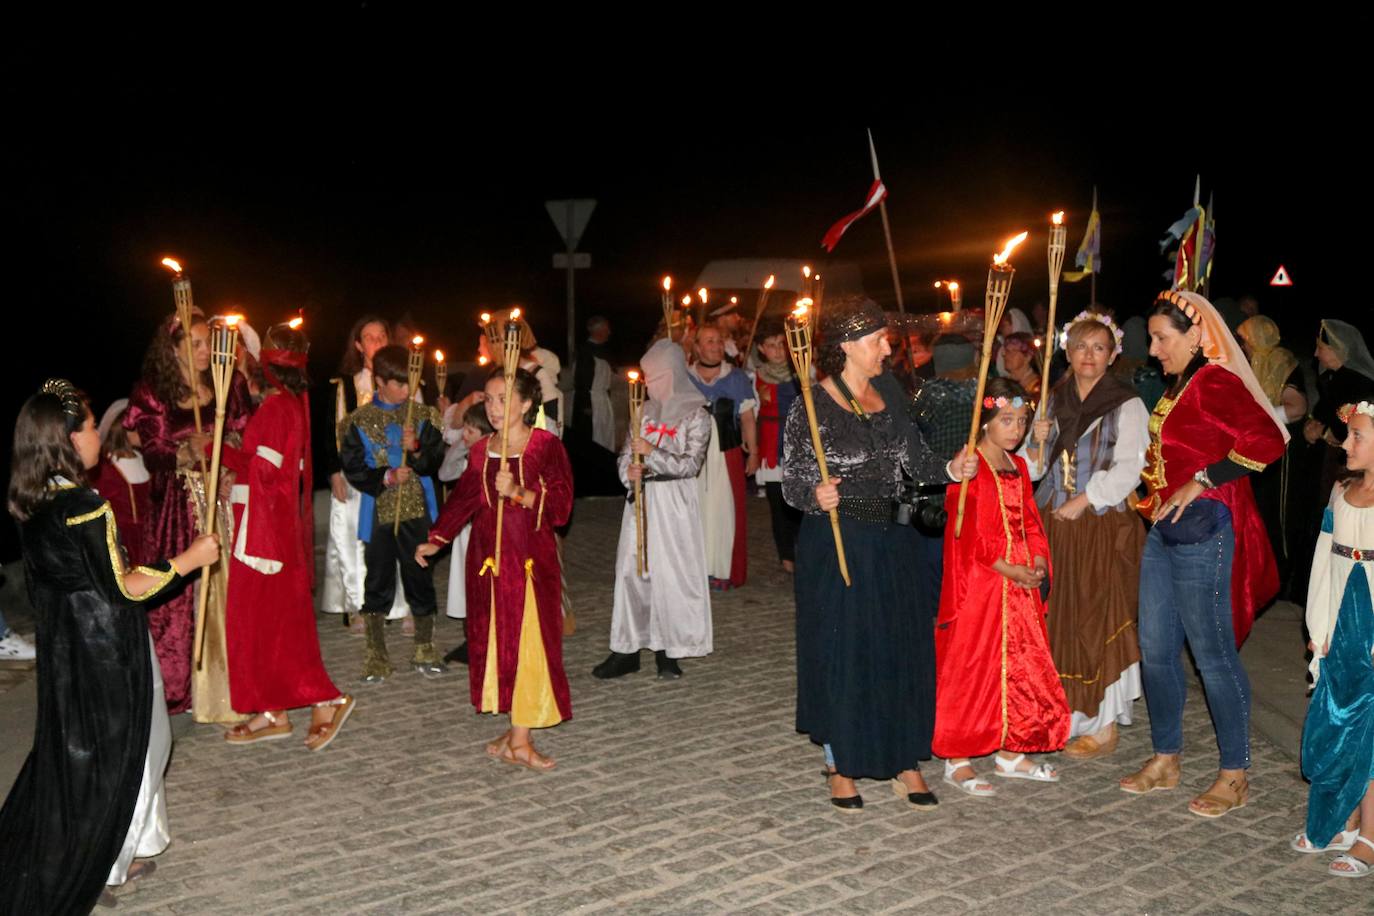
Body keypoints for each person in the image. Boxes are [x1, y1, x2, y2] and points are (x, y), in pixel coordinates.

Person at [0, 379, 219, 913]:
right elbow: (122, 587)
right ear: (71, 439)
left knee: (85, 752)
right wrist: (191, 558)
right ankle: (107, 859)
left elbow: (86, 576)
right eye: (92, 426)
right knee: (130, 752)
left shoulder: (33, 500)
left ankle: (132, 845)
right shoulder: (85, 507)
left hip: (67, 648)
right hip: (106, 650)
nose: (99, 434)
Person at [783, 296, 977, 811]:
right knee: (845, 650)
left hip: (894, 542)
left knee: (897, 647)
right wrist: (814, 495)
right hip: (839, 541)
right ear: (848, 345)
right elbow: (793, 478)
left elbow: (916, 460)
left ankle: (903, 759)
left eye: (886, 339)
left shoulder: (889, 391)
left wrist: (953, 469)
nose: (887, 348)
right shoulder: (811, 402)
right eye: (877, 341)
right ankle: (839, 761)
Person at [1120, 291, 1287, 818]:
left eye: (1162, 338)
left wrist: (1203, 480)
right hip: (1164, 532)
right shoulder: (1183, 382)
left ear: (1194, 336)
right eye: (1151, 338)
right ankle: (1166, 757)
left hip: (1203, 532)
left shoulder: (1215, 380)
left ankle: (1234, 774)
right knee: (1156, 648)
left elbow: (1269, 439)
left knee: (1212, 655)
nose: (1153, 348)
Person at [417, 367, 574, 771]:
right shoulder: (480, 450)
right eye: (488, 399)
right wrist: (438, 539)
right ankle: (515, 730)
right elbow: (464, 500)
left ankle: (520, 741)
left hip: (529, 563)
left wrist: (518, 492)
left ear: (526, 403)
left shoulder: (545, 446)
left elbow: (560, 510)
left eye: (505, 399)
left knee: (529, 645)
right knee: (500, 645)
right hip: (488, 563)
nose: (495, 407)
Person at [218, 323, 355, 749]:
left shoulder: (278, 408)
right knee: (259, 622)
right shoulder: (283, 405)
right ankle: (270, 707)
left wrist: (214, 449)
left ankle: (325, 698)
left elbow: (263, 471)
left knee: (275, 621)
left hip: (264, 533)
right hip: (260, 522)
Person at [934, 377, 1070, 794]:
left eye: (1021, 420)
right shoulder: (972, 465)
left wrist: (1040, 561)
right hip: (983, 584)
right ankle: (958, 756)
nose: (1015, 429)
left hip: (1019, 585)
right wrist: (1008, 569)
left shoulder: (1019, 465)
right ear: (986, 422)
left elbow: (1029, 518)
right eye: (1006, 420)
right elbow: (968, 534)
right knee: (973, 665)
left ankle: (1010, 749)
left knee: (1018, 666)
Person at [1026, 311, 1147, 760]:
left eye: (1099, 347)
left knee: (1096, 615)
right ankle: (1065, 714)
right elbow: (1036, 468)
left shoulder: (1125, 402)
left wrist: (1087, 499)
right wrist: (1034, 441)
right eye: (1080, 346)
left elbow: (1132, 467)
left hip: (1100, 523)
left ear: (1113, 354)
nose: (1089, 356)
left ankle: (1103, 723)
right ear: (1067, 352)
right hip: (1055, 522)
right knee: (1060, 619)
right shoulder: (1053, 398)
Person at [124, 310, 252, 717]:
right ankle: (184, 688)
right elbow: (151, 453)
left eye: (206, 343)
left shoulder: (227, 382)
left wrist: (226, 453)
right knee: (180, 601)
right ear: (172, 349)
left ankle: (239, 682)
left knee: (232, 590)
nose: (203, 351)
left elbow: (243, 429)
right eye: (193, 344)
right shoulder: (153, 392)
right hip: (179, 507)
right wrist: (185, 449)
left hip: (223, 497)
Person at [594, 338, 713, 680]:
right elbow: (624, 455)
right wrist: (628, 471)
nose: (650, 385)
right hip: (641, 502)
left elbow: (691, 464)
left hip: (673, 504)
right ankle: (627, 648)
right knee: (631, 572)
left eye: (657, 377)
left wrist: (651, 455)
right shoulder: (641, 411)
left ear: (674, 375)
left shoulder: (696, 416)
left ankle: (668, 649)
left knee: (669, 575)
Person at [1293, 401, 1374, 875]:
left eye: (1357, 435)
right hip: (1340, 625)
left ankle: (1369, 836)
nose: (1346, 443)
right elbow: (1324, 562)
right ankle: (1341, 819)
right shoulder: (1341, 493)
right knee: (1336, 724)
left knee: (1370, 734)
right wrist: (1318, 626)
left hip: (1370, 631)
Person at [339, 344, 447, 683]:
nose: (404, 391)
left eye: (409, 384)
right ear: (379, 381)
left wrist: (415, 450)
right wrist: (386, 476)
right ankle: (376, 654)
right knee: (378, 578)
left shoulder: (423, 416)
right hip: (379, 512)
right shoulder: (357, 422)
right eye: (398, 384)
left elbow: (433, 461)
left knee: (419, 575)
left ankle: (425, 647)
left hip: (417, 510)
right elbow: (354, 468)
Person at [323, 315, 415, 636]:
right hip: (355, 475)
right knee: (352, 539)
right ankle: (361, 605)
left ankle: (403, 605)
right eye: (369, 337)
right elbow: (331, 430)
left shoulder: (407, 380)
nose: (376, 342)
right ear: (359, 344)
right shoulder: (344, 384)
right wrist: (334, 471)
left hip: (392, 473)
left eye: (381, 336)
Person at [1238, 315, 1317, 600]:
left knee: (1279, 517)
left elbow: (1296, 408)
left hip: (1283, 452)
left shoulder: (1281, 362)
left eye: (1246, 341)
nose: (1243, 347)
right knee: (1259, 512)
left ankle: (1280, 578)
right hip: (1261, 448)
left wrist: (1258, 418)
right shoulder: (1255, 362)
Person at [689, 323, 757, 590]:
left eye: (719, 341)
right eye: (709, 341)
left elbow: (748, 418)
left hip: (726, 453)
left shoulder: (736, 378)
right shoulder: (684, 377)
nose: (715, 346)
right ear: (696, 347)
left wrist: (753, 453)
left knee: (723, 511)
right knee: (695, 510)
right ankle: (695, 570)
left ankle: (722, 570)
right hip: (692, 455)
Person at [440, 403, 494, 665]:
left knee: (484, 588)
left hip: (484, 533)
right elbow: (444, 472)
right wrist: (464, 444)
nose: (464, 433)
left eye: (470, 430)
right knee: (463, 587)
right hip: (465, 532)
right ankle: (470, 640)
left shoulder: (492, 461)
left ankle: (488, 641)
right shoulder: (465, 459)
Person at [752, 322, 803, 573]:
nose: (778, 350)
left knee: (801, 502)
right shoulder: (756, 376)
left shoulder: (802, 372)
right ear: (762, 349)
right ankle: (786, 555)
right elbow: (751, 412)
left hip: (798, 444)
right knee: (778, 504)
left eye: (782, 344)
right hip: (772, 445)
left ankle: (802, 548)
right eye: (771, 346)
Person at [1308, 320, 1374, 500]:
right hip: (1330, 458)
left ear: (1337, 348)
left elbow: (1349, 426)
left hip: (1348, 465)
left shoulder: (1359, 383)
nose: (1315, 354)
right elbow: (1322, 411)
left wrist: (1322, 431)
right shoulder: (1332, 378)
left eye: (1320, 347)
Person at [91, 399, 152, 568]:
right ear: (124, 428)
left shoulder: (146, 461)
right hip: (125, 549)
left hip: (152, 542)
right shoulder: (105, 468)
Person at [998, 330, 1042, 399]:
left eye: (1013, 351)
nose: (1006, 355)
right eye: (1006, 350)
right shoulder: (1003, 383)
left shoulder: (1037, 387)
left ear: (1028, 357)